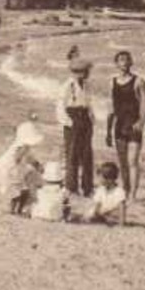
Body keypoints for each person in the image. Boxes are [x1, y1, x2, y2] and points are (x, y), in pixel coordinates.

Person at [105, 50, 145, 200]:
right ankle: (125, 191)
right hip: (119, 125)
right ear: (116, 64)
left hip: (133, 125)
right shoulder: (112, 82)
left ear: (131, 62)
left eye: (126, 60)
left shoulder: (139, 81)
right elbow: (111, 107)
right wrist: (107, 130)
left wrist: (141, 122)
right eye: (120, 60)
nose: (124, 63)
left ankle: (132, 194)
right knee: (123, 162)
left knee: (133, 161)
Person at [57, 57, 96, 197]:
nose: (86, 74)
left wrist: (92, 117)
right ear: (77, 72)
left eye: (87, 71)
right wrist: (68, 122)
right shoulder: (68, 85)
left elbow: (88, 102)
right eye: (84, 72)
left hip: (85, 117)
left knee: (87, 154)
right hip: (72, 117)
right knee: (72, 153)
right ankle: (71, 186)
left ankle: (88, 187)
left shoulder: (87, 85)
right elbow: (60, 106)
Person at [0, 121, 45, 216]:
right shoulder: (21, 147)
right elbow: (17, 160)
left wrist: (37, 165)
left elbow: (30, 158)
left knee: (23, 191)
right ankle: (13, 210)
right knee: (16, 192)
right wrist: (26, 168)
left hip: (13, 169)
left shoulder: (24, 147)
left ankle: (18, 209)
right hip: (9, 170)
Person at [78, 161, 128, 226]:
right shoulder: (100, 190)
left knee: (112, 215)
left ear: (109, 179)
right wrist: (94, 214)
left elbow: (122, 207)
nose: (99, 180)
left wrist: (121, 223)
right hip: (102, 214)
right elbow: (97, 205)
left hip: (113, 214)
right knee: (90, 212)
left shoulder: (119, 191)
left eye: (101, 178)